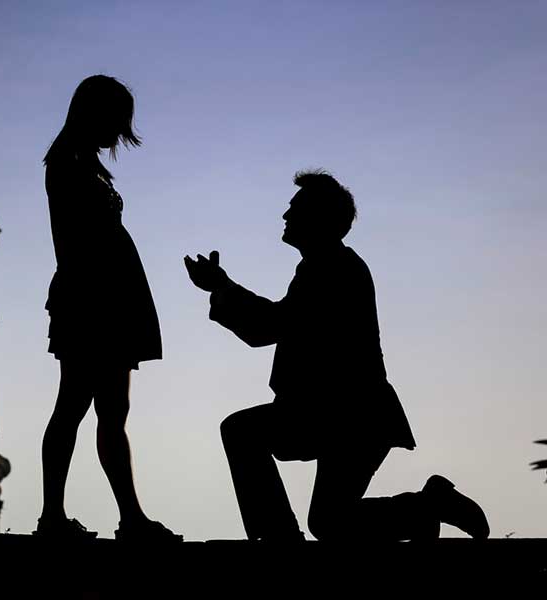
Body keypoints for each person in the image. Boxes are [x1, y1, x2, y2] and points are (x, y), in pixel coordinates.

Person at [184, 170, 489, 542]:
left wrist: (223, 288)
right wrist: (224, 290)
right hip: (336, 414)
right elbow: (271, 327)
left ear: (318, 218)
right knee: (331, 521)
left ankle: (277, 539)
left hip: (348, 415)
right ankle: (424, 509)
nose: (285, 216)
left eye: (294, 208)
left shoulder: (334, 270)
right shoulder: (322, 267)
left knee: (242, 432)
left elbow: (271, 326)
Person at [36, 75, 181, 542]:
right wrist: (97, 293)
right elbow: (74, 243)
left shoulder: (88, 165)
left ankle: (127, 516)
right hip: (92, 300)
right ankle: (56, 516)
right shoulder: (67, 162)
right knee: (74, 406)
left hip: (109, 300)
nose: (120, 132)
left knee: (111, 410)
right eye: (116, 120)